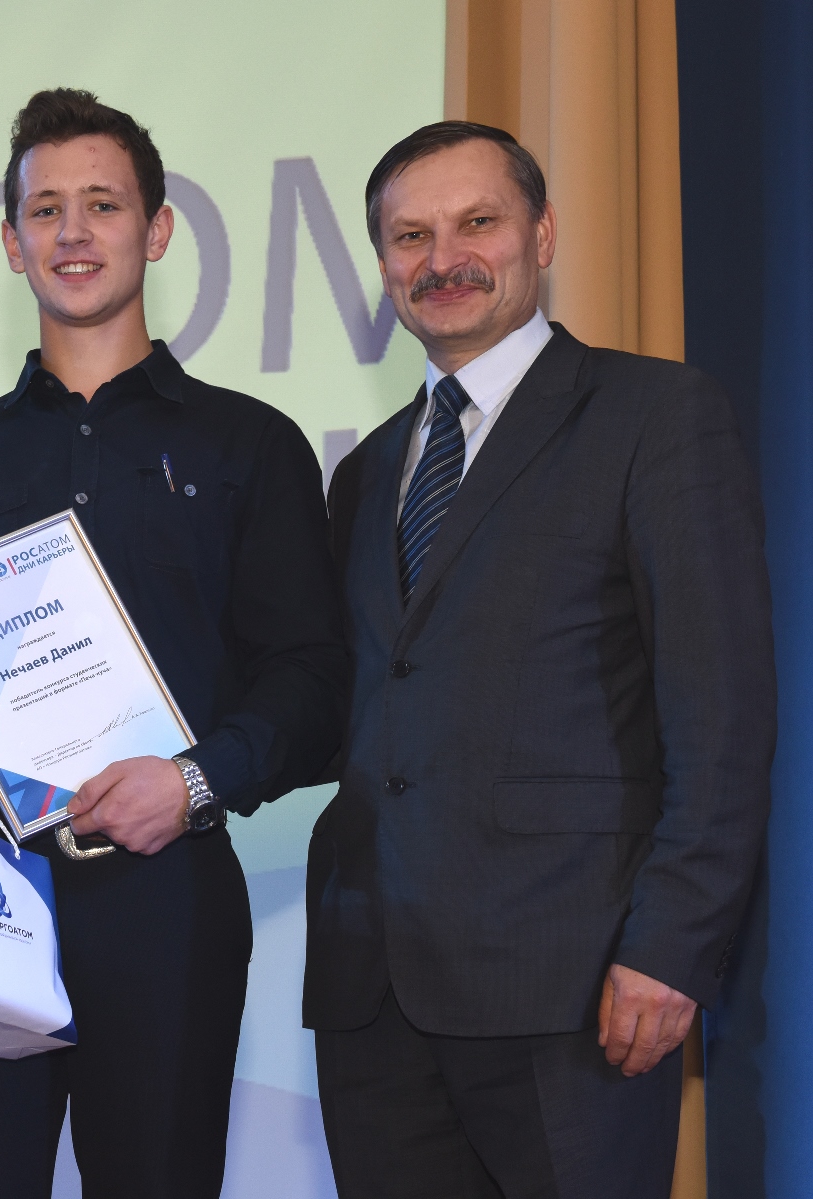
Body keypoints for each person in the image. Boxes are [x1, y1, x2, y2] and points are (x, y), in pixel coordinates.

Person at [0, 88, 349, 1198]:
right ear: (11, 243)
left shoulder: (249, 444)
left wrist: (192, 781)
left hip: (167, 894)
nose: (72, 232)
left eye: (102, 203)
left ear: (157, 228)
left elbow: (314, 681)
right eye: (45, 209)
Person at [307, 121, 775, 1199]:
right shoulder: (365, 473)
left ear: (543, 234)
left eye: (476, 222)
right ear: (382, 265)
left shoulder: (656, 416)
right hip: (372, 994)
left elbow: (721, 715)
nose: (442, 259)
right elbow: (348, 706)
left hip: (576, 987)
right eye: (409, 237)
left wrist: (670, 946)